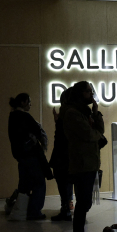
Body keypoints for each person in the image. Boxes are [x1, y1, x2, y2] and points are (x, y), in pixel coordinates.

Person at [63, 81, 104, 232]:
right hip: (81, 165)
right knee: (82, 204)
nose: (91, 94)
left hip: (90, 163)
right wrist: (97, 132)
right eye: (88, 91)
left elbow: (97, 132)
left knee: (85, 203)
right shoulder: (73, 113)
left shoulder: (84, 112)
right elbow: (90, 134)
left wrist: (96, 114)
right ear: (80, 93)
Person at [8, 93, 52, 221]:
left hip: (21, 156)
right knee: (39, 182)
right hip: (31, 155)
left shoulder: (12, 116)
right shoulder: (24, 117)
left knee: (24, 184)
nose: (30, 105)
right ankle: (34, 212)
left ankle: (21, 211)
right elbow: (38, 132)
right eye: (29, 101)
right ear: (23, 102)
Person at [49, 89, 73, 221]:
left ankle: (66, 209)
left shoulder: (67, 114)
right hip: (70, 155)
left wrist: (58, 122)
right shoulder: (76, 113)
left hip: (62, 156)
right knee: (68, 183)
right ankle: (69, 207)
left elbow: (60, 138)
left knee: (63, 183)